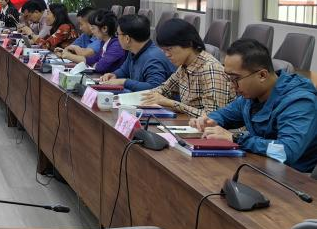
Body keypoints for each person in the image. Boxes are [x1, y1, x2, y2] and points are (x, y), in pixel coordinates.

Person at [191, 39, 317, 172]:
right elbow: (225, 114)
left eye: (236, 79)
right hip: (262, 166)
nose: (232, 86)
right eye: (229, 79)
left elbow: (286, 151)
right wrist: (209, 121)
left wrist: (236, 138)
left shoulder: (300, 102)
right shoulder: (252, 95)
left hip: (295, 177)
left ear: (262, 75)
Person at [140, 18, 235, 117]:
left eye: (169, 49)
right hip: (191, 123)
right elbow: (164, 89)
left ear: (189, 43)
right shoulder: (185, 65)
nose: (167, 55)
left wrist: (172, 103)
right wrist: (149, 96)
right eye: (164, 50)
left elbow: (213, 117)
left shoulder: (211, 70)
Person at [99, 14, 175, 91]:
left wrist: (124, 82)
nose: (117, 37)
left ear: (127, 38)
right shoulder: (134, 50)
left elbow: (154, 87)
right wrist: (114, 75)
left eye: (117, 34)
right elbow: (124, 70)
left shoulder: (153, 58)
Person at [60, 9, 127, 74]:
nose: (91, 30)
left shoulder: (116, 45)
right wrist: (67, 56)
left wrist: (95, 64)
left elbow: (100, 67)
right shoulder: (104, 42)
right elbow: (91, 60)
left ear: (104, 29)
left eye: (93, 28)